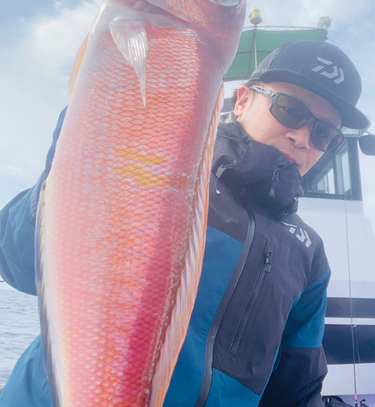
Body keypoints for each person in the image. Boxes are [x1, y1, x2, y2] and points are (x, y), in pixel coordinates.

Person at [0, 40, 370, 406]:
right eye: (289, 109)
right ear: (242, 101)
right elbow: (17, 261)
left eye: (324, 134)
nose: (302, 138)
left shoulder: (309, 253)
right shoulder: (156, 173)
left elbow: (294, 389)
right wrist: (87, 138)